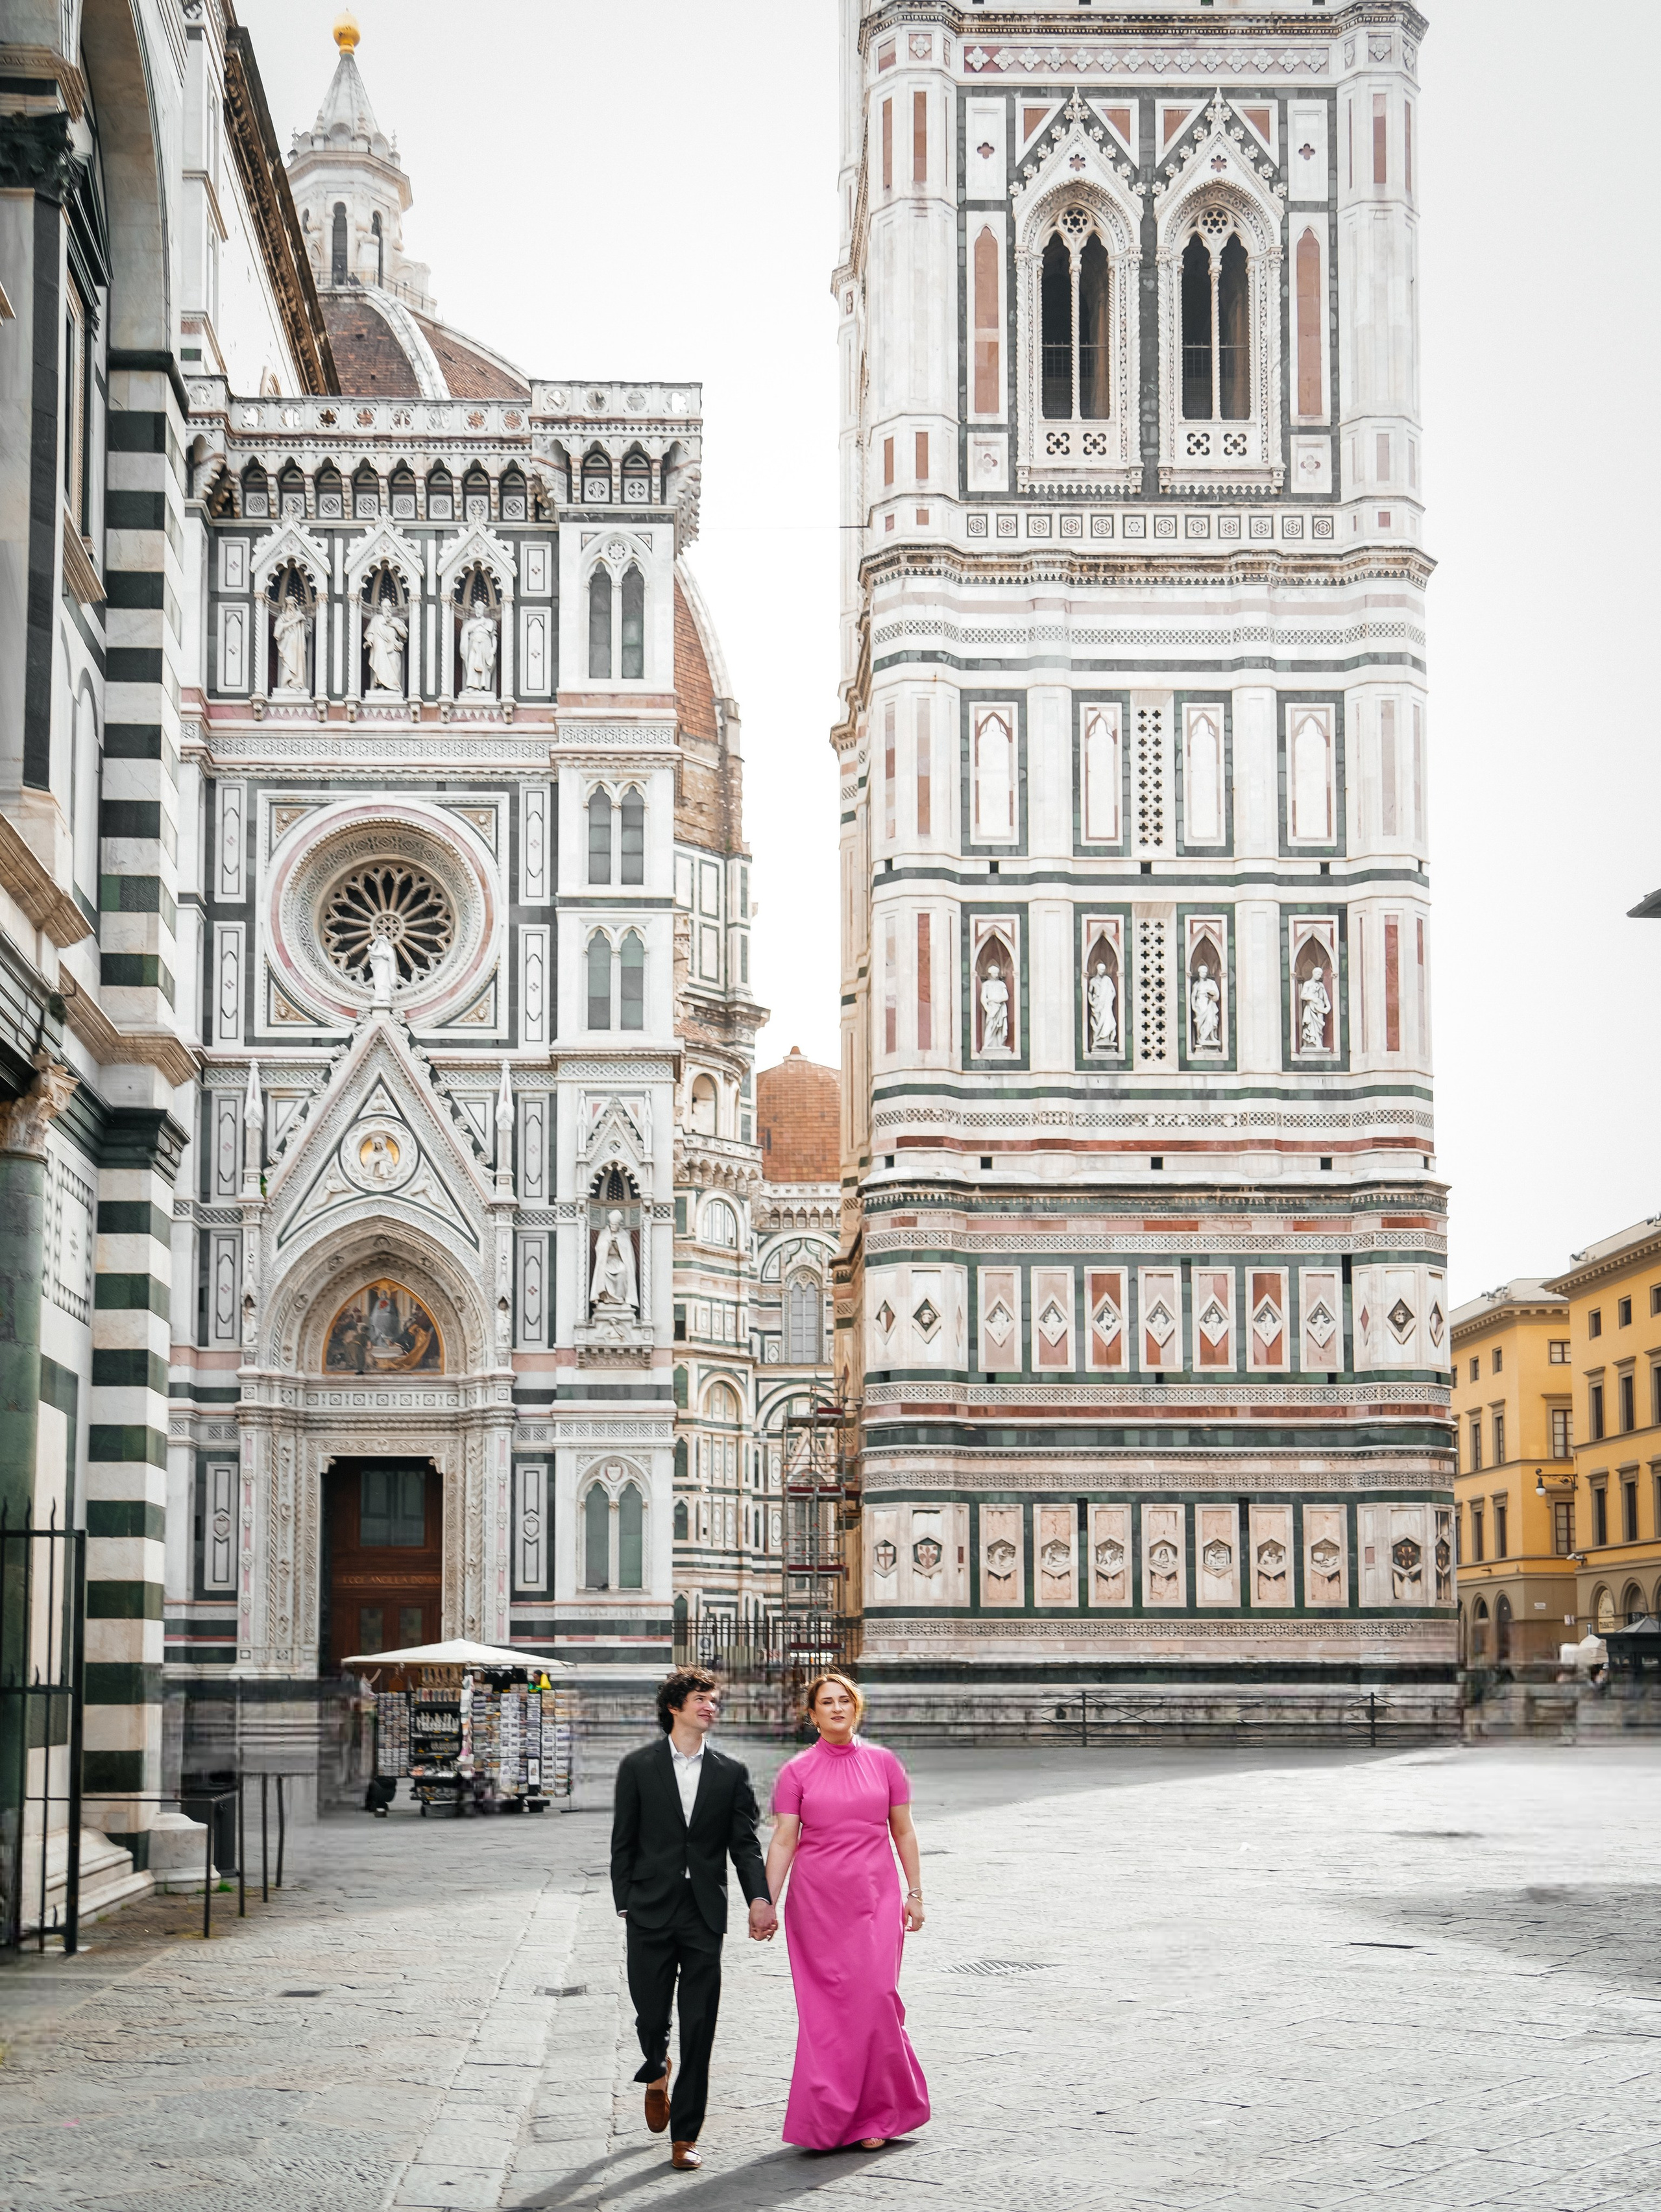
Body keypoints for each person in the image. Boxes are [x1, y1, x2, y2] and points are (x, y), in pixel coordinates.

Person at [610, 1666, 775, 2173]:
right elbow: (624, 1840)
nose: (711, 1707)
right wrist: (625, 1902)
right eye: (702, 1699)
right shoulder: (637, 1767)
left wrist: (759, 1898)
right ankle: (657, 2068)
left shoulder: (731, 1772)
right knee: (651, 2015)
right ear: (675, 1707)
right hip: (650, 1910)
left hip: (704, 1913)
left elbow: (744, 1845)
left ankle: (686, 2136)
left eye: (714, 1700)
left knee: (700, 2024)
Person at [762, 1672, 930, 2154]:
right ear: (811, 1715)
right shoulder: (796, 1771)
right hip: (816, 1906)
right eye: (826, 1703)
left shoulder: (884, 1763)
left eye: (844, 1701)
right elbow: (783, 1840)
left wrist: (915, 1893)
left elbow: (904, 1831)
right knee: (827, 2015)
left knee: (877, 1999)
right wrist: (765, 1902)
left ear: (856, 1708)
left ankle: (880, 2112)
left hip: (876, 1899)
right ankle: (828, 2120)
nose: (837, 1708)